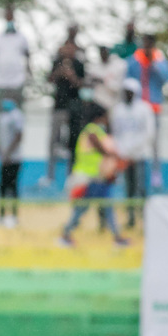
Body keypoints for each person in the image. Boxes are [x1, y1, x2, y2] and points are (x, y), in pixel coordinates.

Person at [60, 103, 128, 247]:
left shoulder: (98, 132)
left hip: (96, 178)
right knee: (83, 209)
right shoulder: (91, 131)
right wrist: (116, 156)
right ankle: (66, 234)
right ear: (100, 117)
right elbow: (102, 149)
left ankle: (117, 237)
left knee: (104, 206)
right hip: (85, 178)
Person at [126, 33, 168, 184]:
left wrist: (153, 64)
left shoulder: (159, 58)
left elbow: (166, 77)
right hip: (138, 107)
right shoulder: (134, 59)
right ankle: (129, 173)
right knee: (133, 140)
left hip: (154, 107)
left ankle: (156, 173)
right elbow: (128, 79)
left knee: (155, 142)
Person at [111, 79, 156, 228]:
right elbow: (116, 133)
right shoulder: (117, 110)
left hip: (140, 156)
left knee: (141, 189)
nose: (127, 95)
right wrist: (121, 153)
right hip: (124, 157)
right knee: (128, 190)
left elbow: (149, 133)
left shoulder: (144, 109)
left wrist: (133, 151)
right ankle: (130, 219)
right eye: (125, 92)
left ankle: (145, 220)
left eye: (129, 92)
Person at [44, 29, 85, 186]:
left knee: (72, 142)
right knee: (53, 140)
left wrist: (72, 76)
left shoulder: (79, 65)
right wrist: (59, 72)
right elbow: (49, 80)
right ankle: (50, 175)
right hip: (58, 107)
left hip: (73, 108)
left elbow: (82, 85)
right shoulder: (57, 62)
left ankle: (71, 174)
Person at [0, 6, 30, 126]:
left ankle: (17, 142)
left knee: (18, 115)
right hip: (0, 82)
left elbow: (28, 56)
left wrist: (27, 75)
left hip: (17, 82)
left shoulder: (22, 38)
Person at [0, 98, 24, 228]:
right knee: (2, 187)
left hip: (14, 159)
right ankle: (1, 216)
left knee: (12, 187)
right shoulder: (2, 117)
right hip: (4, 159)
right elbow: (2, 139)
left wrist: (8, 153)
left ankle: (13, 217)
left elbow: (19, 135)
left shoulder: (17, 115)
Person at [87, 45, 127, 111]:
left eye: (105, 52)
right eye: (101, 53)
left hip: (113, 103)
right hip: (98, 103)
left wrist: (103, 81)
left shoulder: (118, 66)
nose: (103, 55)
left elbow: (118, 87)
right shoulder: (95, 68)